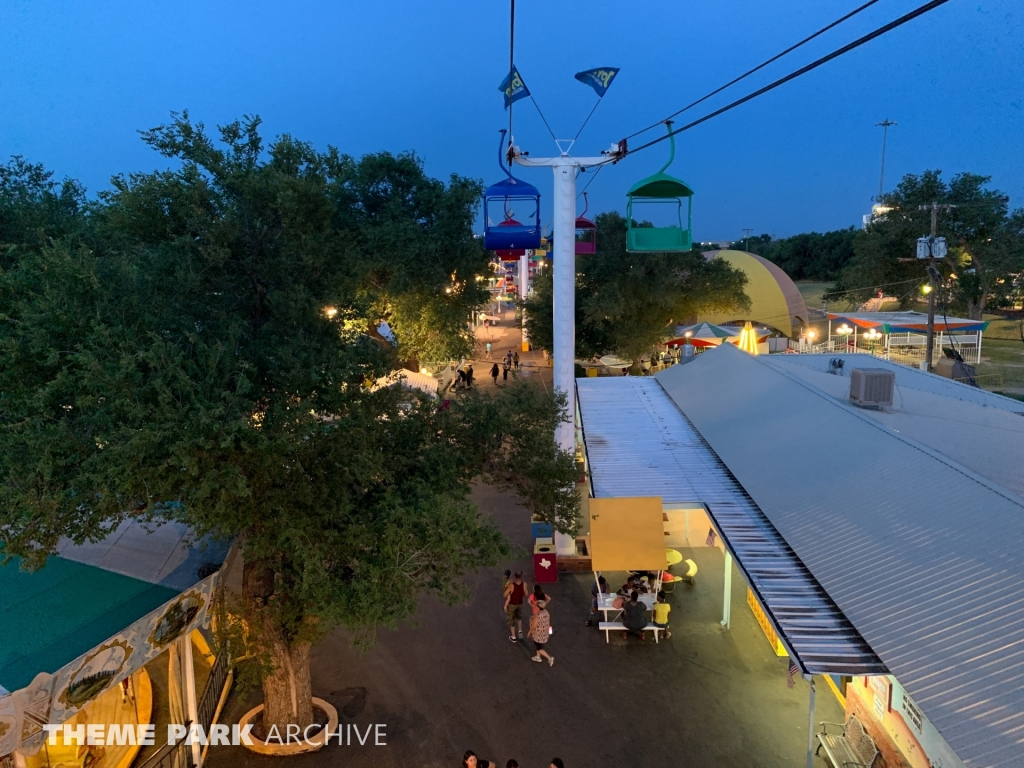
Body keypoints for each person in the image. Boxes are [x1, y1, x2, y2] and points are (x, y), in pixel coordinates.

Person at [529, 600, 554, 665]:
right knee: (539, 646)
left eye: (536, 605)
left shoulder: (537, 615)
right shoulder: (546, 612)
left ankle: (549, 658)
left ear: (538, 607)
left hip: (538, 634)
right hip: (544, 633)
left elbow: (534, 626)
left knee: (539, 648)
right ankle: (538, 657)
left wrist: (529, 632)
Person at [503, 571, 526, 641]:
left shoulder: (512, 585)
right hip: (520, 604)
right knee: (519, 618)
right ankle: (520, 631)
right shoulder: (524, 584)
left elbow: (505, 595)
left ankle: (513, 636)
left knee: (511, 620)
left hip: (512, 604)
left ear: (515, 576)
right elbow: (526, 594)